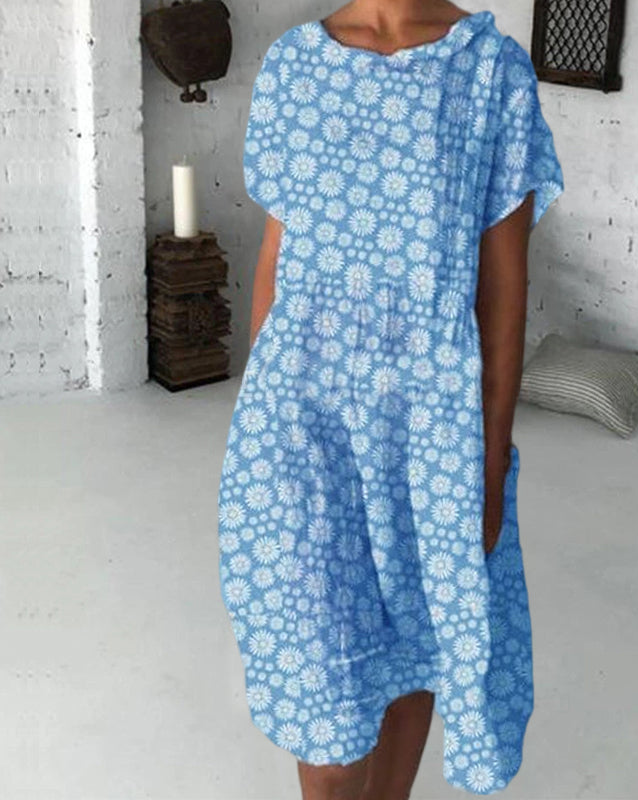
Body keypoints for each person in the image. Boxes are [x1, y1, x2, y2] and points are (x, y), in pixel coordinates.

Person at [217, 1, 564, 797]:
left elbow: (502, 288)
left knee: (417, 644)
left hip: (429, 432)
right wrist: (254, 419)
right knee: (325, 714)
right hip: (299, 422)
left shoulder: (490, 70)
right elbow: (275, 255)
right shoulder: (293, 66)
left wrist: (489, 463)